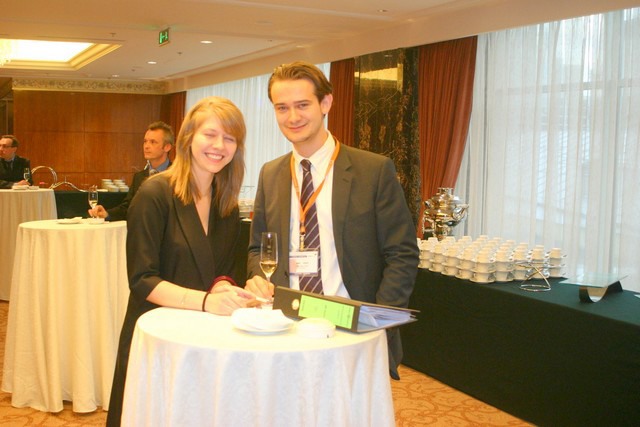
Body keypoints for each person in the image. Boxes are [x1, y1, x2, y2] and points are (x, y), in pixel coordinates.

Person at [245, 61, 419, 379]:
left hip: (352, 326)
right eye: (282, 107)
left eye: (302, 105)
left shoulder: (373, 171)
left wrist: (377, 320)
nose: (292, 117)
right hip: (287, 323)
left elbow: (402, 253)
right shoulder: (270, 173)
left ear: (325, 103)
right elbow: (258, 247)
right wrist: (259, 277)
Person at [106, 97, 258, 426]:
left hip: (202, 335)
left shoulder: (226, 201)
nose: (219, 146)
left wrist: (222, 287)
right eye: (210, 134)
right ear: (188, 138)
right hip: (158, 334)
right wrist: (205, 301)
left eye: (230, 138)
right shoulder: (154, 194)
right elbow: (142, 279)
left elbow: (222, 270)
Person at [88, 121, 174, 220]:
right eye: (145, 141)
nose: (146, 146)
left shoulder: (178, 175)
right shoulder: (139, 177)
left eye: (153, 142)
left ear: (167, 147)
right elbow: (128, 207)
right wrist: (107, 214)